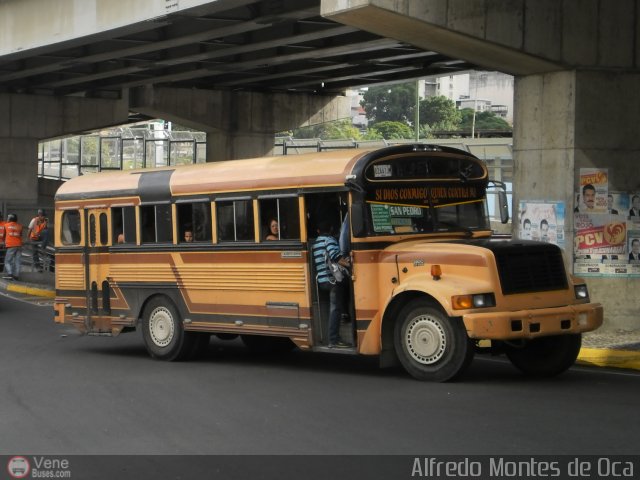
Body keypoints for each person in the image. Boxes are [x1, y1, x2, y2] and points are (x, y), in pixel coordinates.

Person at [312, 219, 351, 348]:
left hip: (322, 281)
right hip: (332, 280)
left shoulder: (316, 243)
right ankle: (334, 339)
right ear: (331, 229)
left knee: (335, 306)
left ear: (318, 231)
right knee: (336, 308)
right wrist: (350, 264)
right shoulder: (329, 240)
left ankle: (344, 314)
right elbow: (336, 257)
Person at [3, 213, 23, 280]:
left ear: (10, 218)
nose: (7, 219)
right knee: (17, 261)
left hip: (11, 245)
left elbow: (3, 236)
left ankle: (10, 274)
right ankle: (16, 276)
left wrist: (4, 242)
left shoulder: (6, 225)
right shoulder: (20, 226)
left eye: (8, 217)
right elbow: (20, 235)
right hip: (19, 245)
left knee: (7, 261)